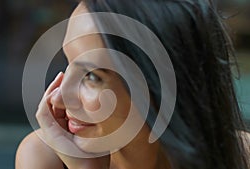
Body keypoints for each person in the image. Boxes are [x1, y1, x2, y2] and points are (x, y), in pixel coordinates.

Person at [15, 0, 250, 169]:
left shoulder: (241, 156)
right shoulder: (45, 157)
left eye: (92, 76)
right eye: (68, 63)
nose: (58, 97)